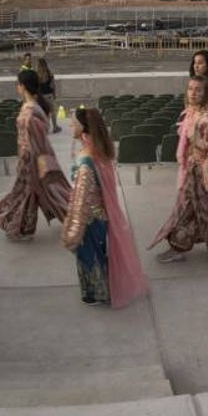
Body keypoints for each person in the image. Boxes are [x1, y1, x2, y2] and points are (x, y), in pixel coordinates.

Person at [151, 76, 208, 267]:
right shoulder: (192, 113)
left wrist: (207, 171)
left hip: (203, 174)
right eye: (190, 89)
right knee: (187, 211)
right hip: (191, 172)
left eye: (198, 90)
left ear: (206, 94)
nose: (193, 93)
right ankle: (179, 247)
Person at [62, 108, 149, 307]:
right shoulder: (97, 150)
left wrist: (74, 225)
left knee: (89, 256)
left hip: (90, 217)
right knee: (98, 254)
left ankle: (97, 292)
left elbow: (82, 196)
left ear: (84, 127)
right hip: (100, 214)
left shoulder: (86, 160)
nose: (70, 126)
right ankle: (101, 289)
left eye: (73, 123)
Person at [0, 69, 71, 241]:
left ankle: (21, 227)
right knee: (31, 193)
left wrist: (29, 161)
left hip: (30, 160)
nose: (16, 87)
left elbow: (35, 141)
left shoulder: (31, 111)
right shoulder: (33, 107)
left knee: (29, 193)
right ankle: (22, 227)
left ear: (23, 86)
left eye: (18, 84)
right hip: (30, 157)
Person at [37, 58, 61, 133]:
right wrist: (54, 94)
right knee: (53, 112)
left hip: (41, 96)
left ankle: (45, 129)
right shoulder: (49, 73)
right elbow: (52, 86)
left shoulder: (37, 74)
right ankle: (55, 127)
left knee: (43, 113)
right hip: (49, 95)